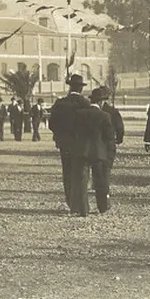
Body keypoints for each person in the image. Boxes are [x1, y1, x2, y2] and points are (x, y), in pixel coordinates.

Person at [49, 74, 96, 216]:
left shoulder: (60, 103)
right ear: (81, 89)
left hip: (65, 144)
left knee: (67, 172)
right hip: (81, 144)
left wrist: (61, 135)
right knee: (81, 175)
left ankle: (71, 203)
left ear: (70, 87)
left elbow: (52, 124)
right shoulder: (85, 104)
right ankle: (81, 204)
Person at [84, 86, 117, 214]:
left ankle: (82, 206)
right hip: (99, 151)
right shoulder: (105, 116)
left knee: (82, 179)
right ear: (101, 102)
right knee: (100, 179)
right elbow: (109, 136)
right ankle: (102, 206)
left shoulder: (81, 113)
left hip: (84, 150)